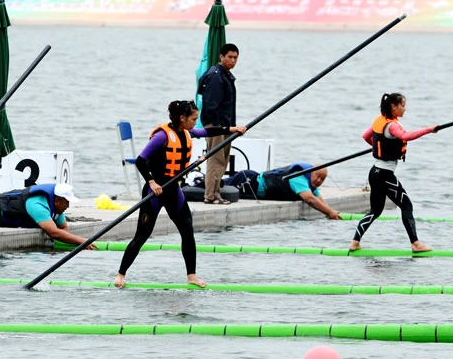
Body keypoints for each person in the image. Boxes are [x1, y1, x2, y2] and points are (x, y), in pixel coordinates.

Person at [115, 100, 245, 289]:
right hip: (155, 191)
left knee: (187, 231)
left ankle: (191, 276)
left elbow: (207, 132)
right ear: (182, 118)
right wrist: (152, 182)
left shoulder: (186, 132)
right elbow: (141, 161)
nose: (195, 123)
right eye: (193, 119)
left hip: (173, 190)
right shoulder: (161, 136)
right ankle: (120, 275)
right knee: (142, 236)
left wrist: (232, 129)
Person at [350, 93, 437, 253]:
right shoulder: (392, 126)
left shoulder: (380, 120)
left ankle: (355, 242)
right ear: (393, 107)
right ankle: (415, 244)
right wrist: (428, 130)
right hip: (384, 174)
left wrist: (379, 147)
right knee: (407, 205)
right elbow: (405, 136)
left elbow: (366, 136)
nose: (405, 109)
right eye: (403, 105)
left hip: (375, 172)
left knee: (375, 210)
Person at [197, 43, 239, 205]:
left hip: (225, 125)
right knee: (215, 160)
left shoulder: (226, 75)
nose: (233, 61)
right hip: (216, 126)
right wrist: (217, 128)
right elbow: (211, 105)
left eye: (235, 58)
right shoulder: (216, 76)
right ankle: (210, 195)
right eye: (229, 57)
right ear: (221, 57)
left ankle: (216, 193)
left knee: (222, 161)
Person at [223, 163, 341, 220]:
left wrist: (332, 211)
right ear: (311, 172)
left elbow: (320, 200)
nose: (319, 180)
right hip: (249, 181)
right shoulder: (298, 177)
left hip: (254, 187)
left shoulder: (310, 184)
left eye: (323, 179)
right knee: (215, 186)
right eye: (318, 176)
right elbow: (309, 199)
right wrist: (329, 213)